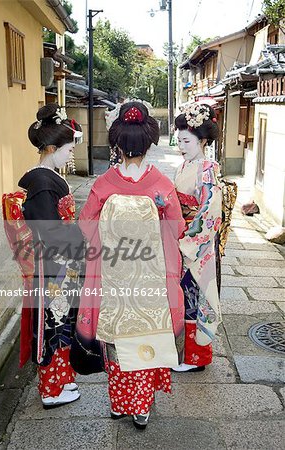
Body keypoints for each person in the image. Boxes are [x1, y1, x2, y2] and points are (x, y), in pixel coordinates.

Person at [76, 101, 185, 429]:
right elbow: (176, 228)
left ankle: (120, 404)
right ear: (148, 143)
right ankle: (140, 406)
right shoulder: (161, 185)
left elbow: (85, 224)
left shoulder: (105, 184)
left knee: (117, 337)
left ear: (117, 145)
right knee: (146, 336)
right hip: (151, 281)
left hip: (115, 280)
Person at [2, 103, 85, 408]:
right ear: (51, 148)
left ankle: (61, 378)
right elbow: (49, 231)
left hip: (59, 264)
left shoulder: (45, 176)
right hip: (51, 266)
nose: (70, 154)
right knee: (52, 324)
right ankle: (51, 390)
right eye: (66, 148)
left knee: (62, 321)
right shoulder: (40, 181)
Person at [172, 103, 222, 372]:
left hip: (196, 245)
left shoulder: (207, 169)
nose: (181, 145)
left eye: (187, 140)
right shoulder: (184, 166)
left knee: (195, 296)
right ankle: (186, 353)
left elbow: (210, 210)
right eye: (178, 140)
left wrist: (189, 242)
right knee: (184, 295)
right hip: (181, 238)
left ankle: (196, 358)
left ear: (202, 140)